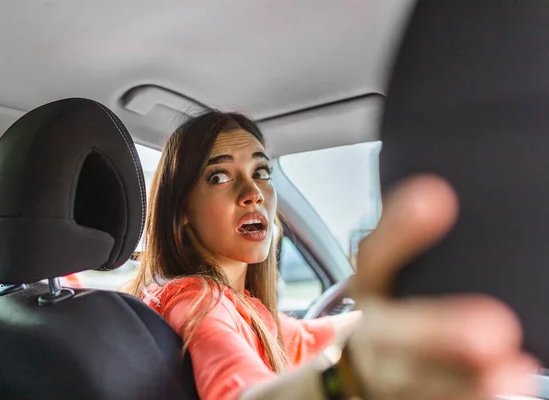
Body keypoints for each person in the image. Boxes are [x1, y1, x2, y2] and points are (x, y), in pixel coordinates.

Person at [126, 110, 538, 400]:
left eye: (261, 172)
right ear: (181, 214)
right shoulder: (196, 298)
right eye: (219, 176)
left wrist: (418, 307)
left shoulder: (245, 307)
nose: (252, 192)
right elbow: (239, 392)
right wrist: (348, 379)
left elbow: (309, 336)